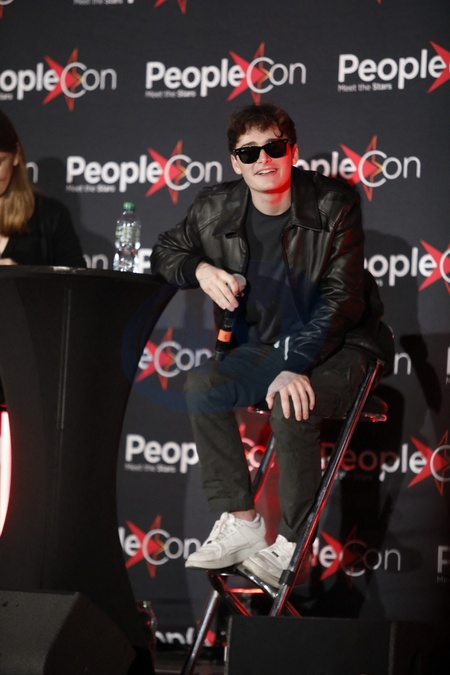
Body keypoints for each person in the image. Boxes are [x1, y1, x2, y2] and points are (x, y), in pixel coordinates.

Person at [150, 102, 393, 589]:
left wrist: (294, 363)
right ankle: (241, 522)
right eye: (249, 152)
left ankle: (291, 547)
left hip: (346, 347)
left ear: (292, 151)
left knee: (289, 397)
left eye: (274, 147)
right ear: (235, 162)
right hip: (268, 347)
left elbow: (342, 301)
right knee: (202, 384)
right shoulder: (214, 207)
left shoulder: (333, 202)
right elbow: (165, 251)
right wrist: (200, 269)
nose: (263, 159)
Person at [0, 108, 86, 403]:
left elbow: (76, 289)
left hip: (29, 358)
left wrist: (23, 279)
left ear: (16, 155)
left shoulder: (50, 217)